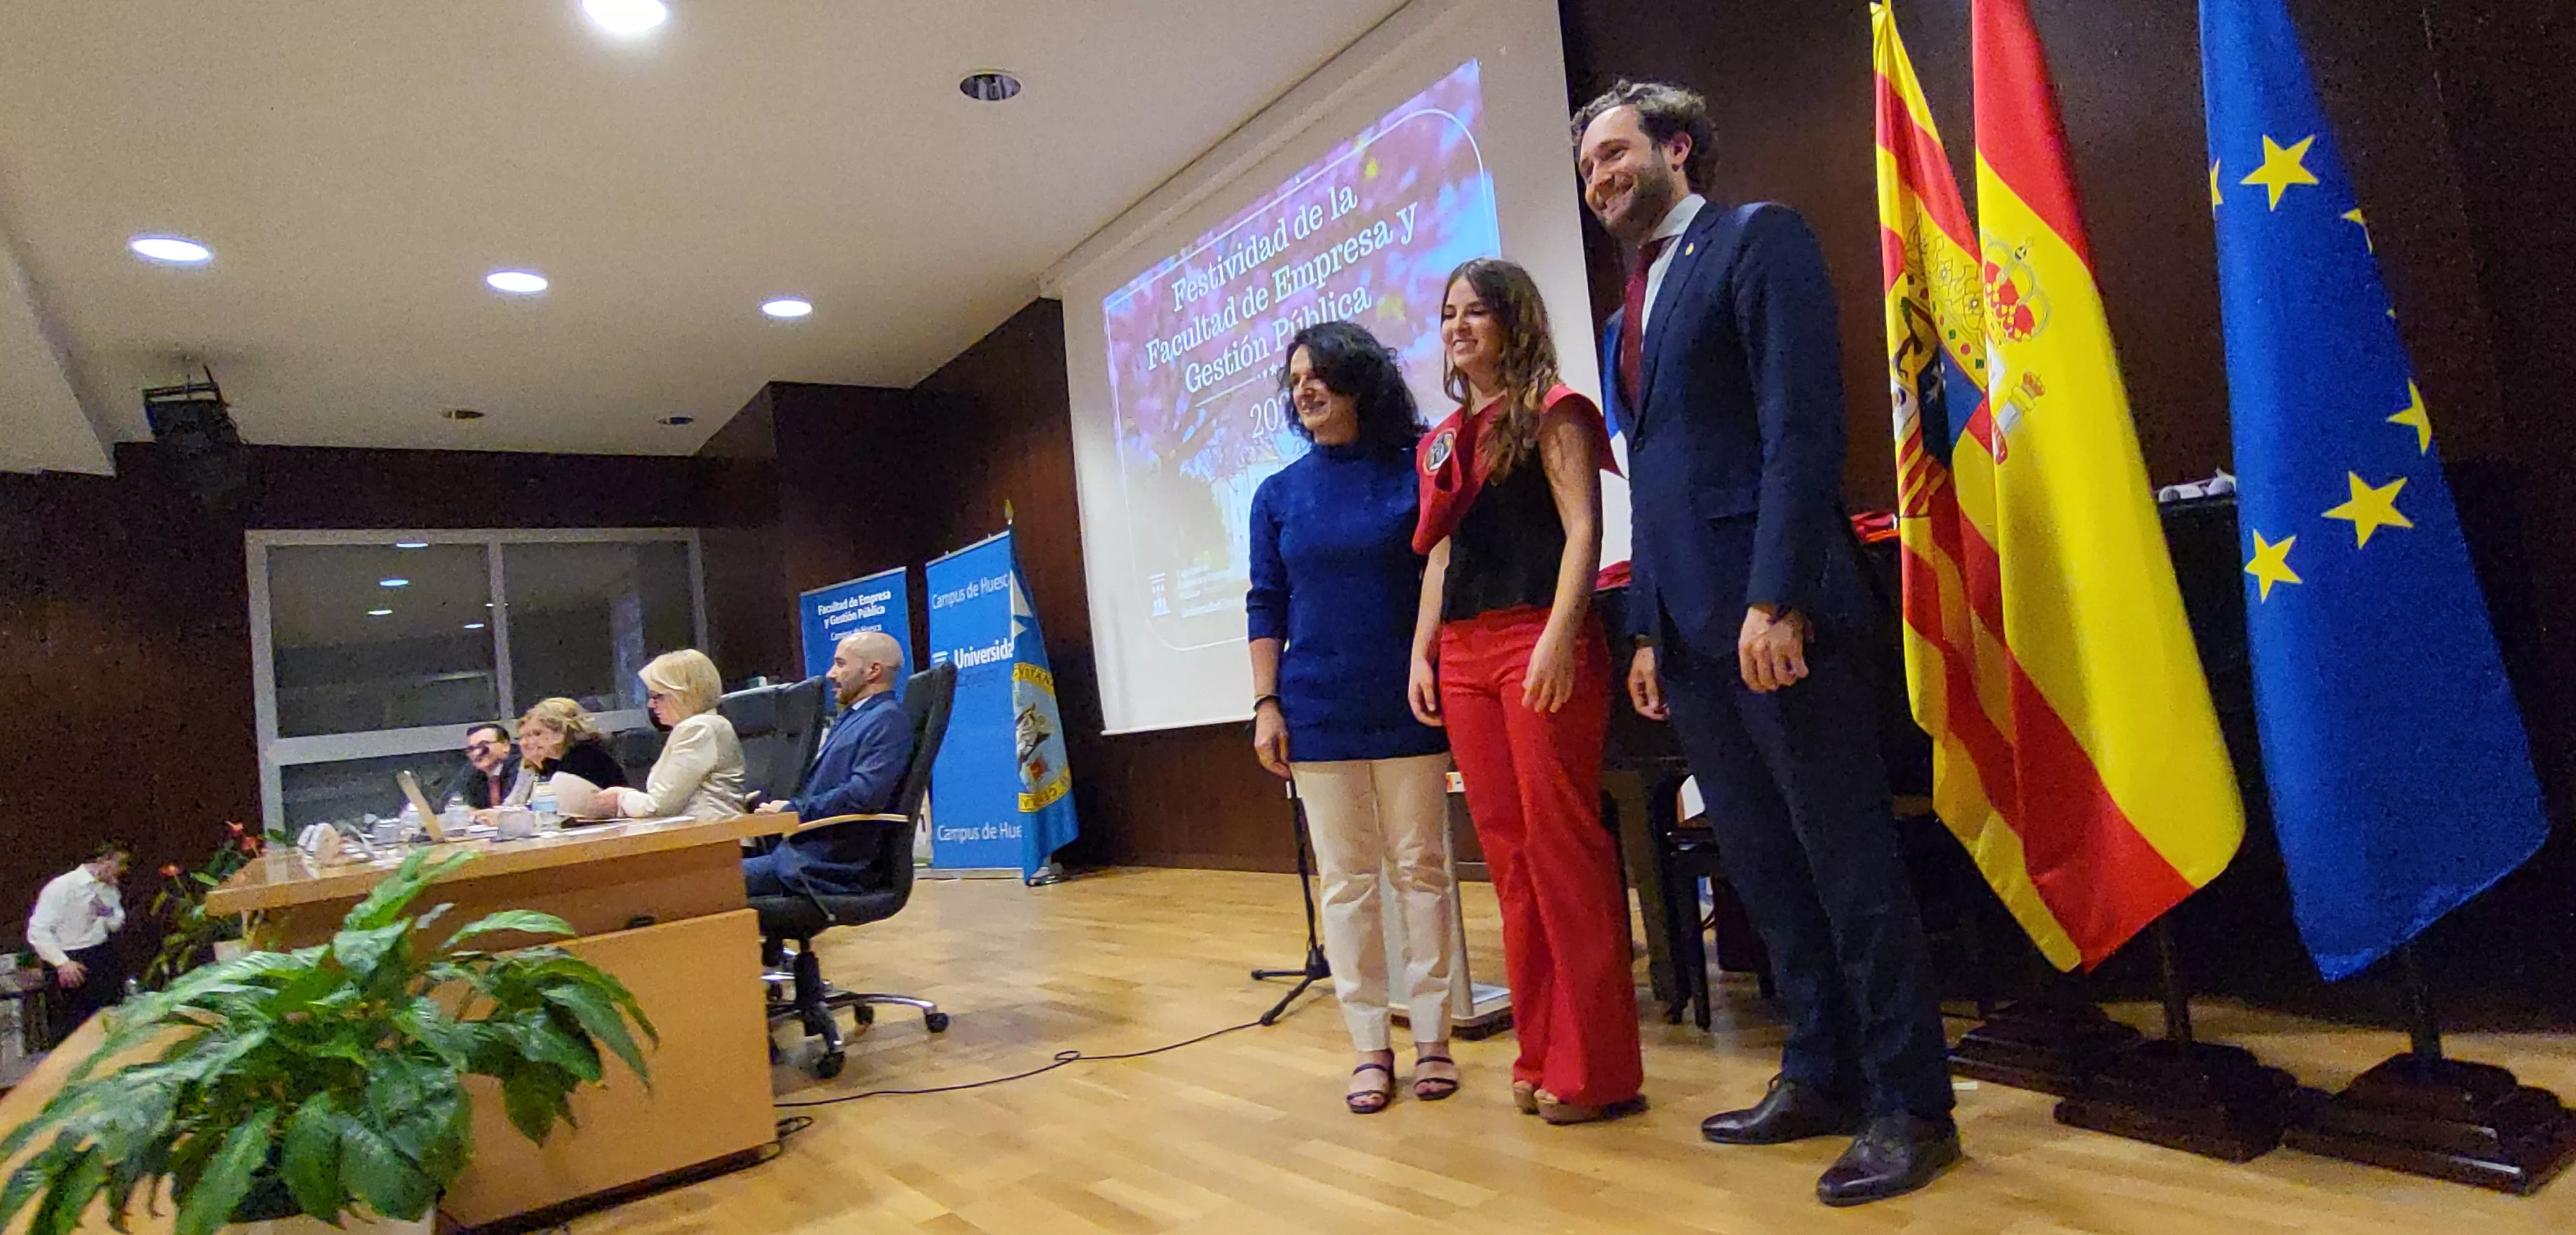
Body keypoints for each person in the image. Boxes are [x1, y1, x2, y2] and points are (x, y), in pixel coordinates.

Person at [1574, 80, 1958, 1204]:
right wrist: (1645, 628)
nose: (1600, 178)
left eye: (1614, 153)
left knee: (1847, 862)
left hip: (1772, 615)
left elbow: (1802, 426)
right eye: (1589, 165)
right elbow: (1654, 478)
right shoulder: (1621, 316)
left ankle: (1910, 1103)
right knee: (1767, 872)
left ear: (1678, 145)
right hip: (1688, 637)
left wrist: (1777, 594)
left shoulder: (1758, 239)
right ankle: (1820, 1072)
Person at [1409, 258, 1643, 1125]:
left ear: (1514, 321)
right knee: (1506, 860)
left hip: (1537, 642)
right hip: (1464, 657)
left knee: (1559, 845)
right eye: (1446, 314)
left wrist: (1557, 630)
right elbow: (1438, 556)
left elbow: (1585, 527)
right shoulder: (1440, 441)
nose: (1458, 326)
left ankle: (1599, 1071)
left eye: (1476, 312)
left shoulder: (1553, 411)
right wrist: (1421, 653)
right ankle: (1540, 1049)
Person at [1246, 321, 1459, 1115]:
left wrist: (1427, 660)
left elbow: (1444, 568)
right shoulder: (1277, 494)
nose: (1303, 388)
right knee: (1346, 882)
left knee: (1421, 869)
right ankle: (1370, 1046)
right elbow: (1265, 600)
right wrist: (1267, 702)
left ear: (1359, 380)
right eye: (1294, 377)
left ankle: (1434, 1037)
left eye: (1319, 373)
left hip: (1409, 697)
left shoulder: (1418, 464)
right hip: (1317, 704)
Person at [748, 632, 914, 896]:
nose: (830, 674)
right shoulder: (855, 717)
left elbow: (864, 795)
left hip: (827, 865)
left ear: (873, 670)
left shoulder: (887, 720)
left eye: (840, 664)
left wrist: (794, 811)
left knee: (708, 888)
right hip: (803, 854)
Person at [603, 649, 747, 821]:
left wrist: (621, 797)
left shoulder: (698, 728)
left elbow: (659, 807)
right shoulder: (707, 724)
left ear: (684, 694)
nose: (651, 704)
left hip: (712, 840)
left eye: (657, 696)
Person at [27, 841, 132, 1029]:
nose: (123, 870)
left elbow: (116, 923)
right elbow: (38, 929)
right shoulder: (62, 887)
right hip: (70, 959)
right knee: (75, 1024)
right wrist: (61, 962)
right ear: (104, 861)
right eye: (120, 863)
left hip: (100, 955)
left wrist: (106, 911)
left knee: (110, 1017)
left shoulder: (109, 888)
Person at [515, 696, 629, 804]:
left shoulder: (585, 757)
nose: (529, 742)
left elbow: (565, 805)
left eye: (537, 734)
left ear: (560, 733)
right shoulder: (553, 763)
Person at [452, 722, 523, 809]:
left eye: (483, 746)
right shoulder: (473, 774)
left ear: (506, 746)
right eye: (471, 749)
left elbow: (514, 809)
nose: (476, 753)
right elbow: (456, 802)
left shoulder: (522, 768)